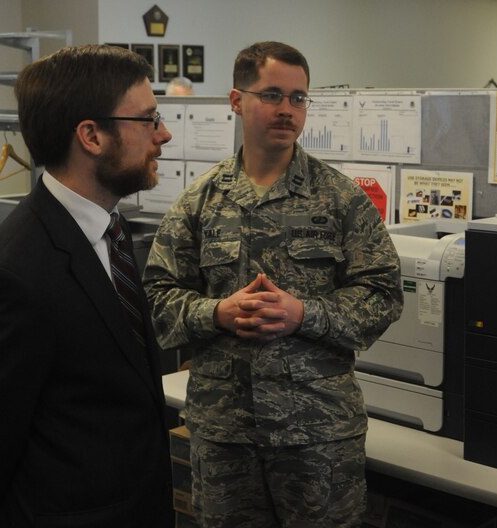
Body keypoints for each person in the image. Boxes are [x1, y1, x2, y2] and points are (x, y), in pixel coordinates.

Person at [144, 41, 403, 527]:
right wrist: (216, 313)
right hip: (225, 432)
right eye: (272, 95)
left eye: (299, 98)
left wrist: (305, 314)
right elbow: (157, 300)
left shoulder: (340, 199)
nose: (288, 110)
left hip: (319, 431)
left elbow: (383, 294)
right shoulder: (200, 201)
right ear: (237, 101)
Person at [0, 44, 174, 528]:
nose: (163, 134)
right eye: (148, 119)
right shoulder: (11, 276)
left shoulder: (110, 230)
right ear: (91, 135)